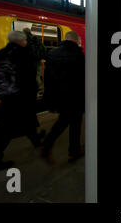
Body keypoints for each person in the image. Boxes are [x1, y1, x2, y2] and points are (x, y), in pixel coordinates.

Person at [0, 31, 43, 173]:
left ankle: (38, 143)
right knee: (5, 131)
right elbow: (27, 76)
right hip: (19, 97)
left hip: (5, 96)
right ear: (22, 41)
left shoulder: (0, 54)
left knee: (28, 121)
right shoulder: (23, 54)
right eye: (25, 40)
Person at [41, 31, 84, 162]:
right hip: (74, 96)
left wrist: (48, 96)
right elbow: (82, 78)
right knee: (74, 123)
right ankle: (72, 151)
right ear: (76, 40)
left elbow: (47, 77)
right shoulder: (78, 54)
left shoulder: (52, 54)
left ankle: (49, 145)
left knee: (63, 120)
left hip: (58, 96)